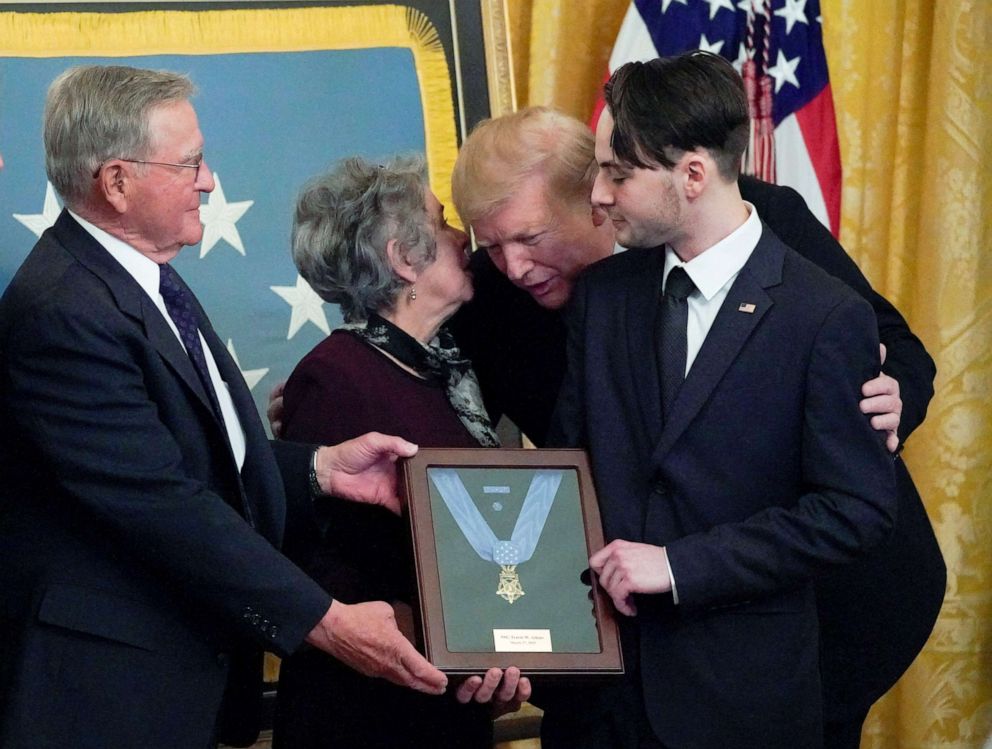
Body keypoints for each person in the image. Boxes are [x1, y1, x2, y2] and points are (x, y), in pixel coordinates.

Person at [447, 106, 944, 747]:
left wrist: (890, 394)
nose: (513, 267)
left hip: (827, 603)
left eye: (531, 238)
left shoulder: (750, 221)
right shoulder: (495, 298)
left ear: (598, 196)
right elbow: (457, 451)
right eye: (491, 245)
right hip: (635, 621)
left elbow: (894, 346)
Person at [0, 65, 450, 749]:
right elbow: (162, 502)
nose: (209, 180)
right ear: (117, 182)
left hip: (173, 680)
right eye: (190, 164)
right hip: (105, 699)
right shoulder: (64, 311)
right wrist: (326, 619)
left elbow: (186, 452)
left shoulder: (138, 280)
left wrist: (320, 470)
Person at [272, 156, 530, 749]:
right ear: (402, 258)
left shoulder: (442, 369)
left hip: (440, 698)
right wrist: (434, 627)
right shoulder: (335, 375)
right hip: (366, 715)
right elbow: (312, 555)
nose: (461, 235)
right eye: (441, 222)